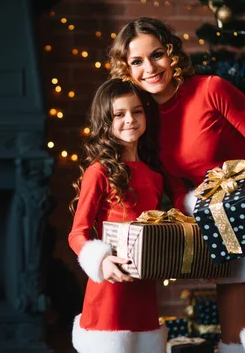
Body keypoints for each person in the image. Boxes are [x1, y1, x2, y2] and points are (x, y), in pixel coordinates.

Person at [108, 17, 245, 353]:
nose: (149, 68)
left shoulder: (211, 89)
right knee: (231, 344)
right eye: (137, 61)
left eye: (156, 55)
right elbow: (180, 188)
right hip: (227, 231)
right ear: (126, 68)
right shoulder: (144, 121)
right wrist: (205, 227)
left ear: (172, 53)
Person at [67, 78, 167, 353]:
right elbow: (77, 233)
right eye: (119, 114)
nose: (130, 120)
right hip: (110, 288)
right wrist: (101, 261)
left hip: (144, 289)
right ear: (105, 122)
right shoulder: (98, 172)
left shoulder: (155, 177)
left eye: (137, 111)